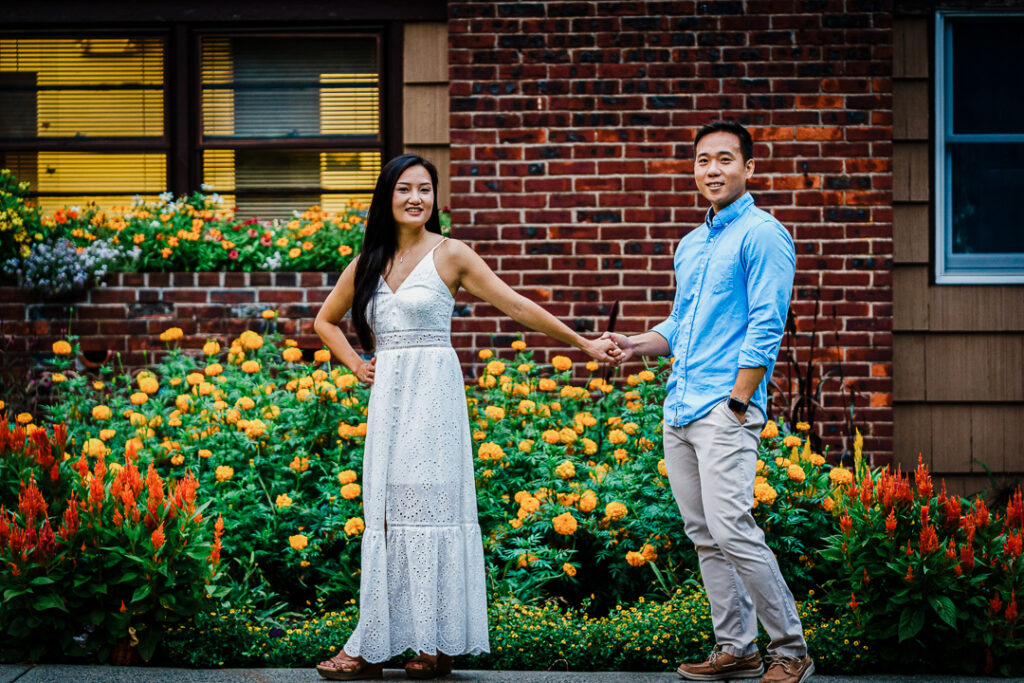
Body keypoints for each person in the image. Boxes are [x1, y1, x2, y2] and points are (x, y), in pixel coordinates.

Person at [312, 154, 617, 680]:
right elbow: (325, 321)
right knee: (387, 518)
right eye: (405, 188)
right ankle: (374, 643)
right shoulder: (367, 262)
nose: (415, 198)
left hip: (434, 399)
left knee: (433, 511)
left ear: (434, 198)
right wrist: (358, 364)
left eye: (425, 190)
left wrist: (583, 342)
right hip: (390, 403)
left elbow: (517, 305)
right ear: (387, 197)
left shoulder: (451, 254)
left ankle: (437, 642)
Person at [604, 121, 813, 683]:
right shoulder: (692, 244)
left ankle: (790, 651)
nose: (712, 170)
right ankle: (736, 649)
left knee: (733, 529)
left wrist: (738, 404)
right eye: (702, 160)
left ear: (750, 168)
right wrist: (633, 344)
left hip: (725, 408)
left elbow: (767, 326)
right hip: (680, 408)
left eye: (724, 159)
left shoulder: (764, 235)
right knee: (705, 535)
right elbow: (679, 325)